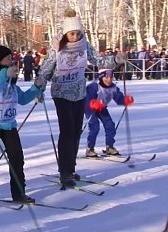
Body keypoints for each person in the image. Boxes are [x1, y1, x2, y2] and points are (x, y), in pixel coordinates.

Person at [34, 8, 126, 186]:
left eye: (77, 33)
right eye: (71, 34)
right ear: (65, 33)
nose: (75, 37)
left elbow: (99, 61)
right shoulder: (57, 47)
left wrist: (115, 60)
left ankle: (71, 167)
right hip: (61, 92)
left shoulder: (84, 45)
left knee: (76, 131)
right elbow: (45, 69)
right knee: (67, 131)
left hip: (78, 92)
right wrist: (39, 87)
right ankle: (64, 171)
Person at [0, 43, 42, 203]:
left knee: (17, 157)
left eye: (12, 58)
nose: (12, 61)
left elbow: (22, 99)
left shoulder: (10, 80)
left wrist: (36, 88)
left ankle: (18, 193)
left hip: (8, 124)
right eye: (8, 58)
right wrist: (6, 73)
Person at [85, 69, 134, 157]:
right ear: (100, 78)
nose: (109, 80)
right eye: (106, 77)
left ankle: (110, 146)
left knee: (110, 125)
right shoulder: (94, 86)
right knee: (94, 127)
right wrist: (92, 104)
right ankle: (90, 148)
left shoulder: (113, 87)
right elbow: (86, 98)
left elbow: (119, 98)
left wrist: (125, 100)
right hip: (90, 109)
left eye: (111, 77)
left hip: (102, 108)